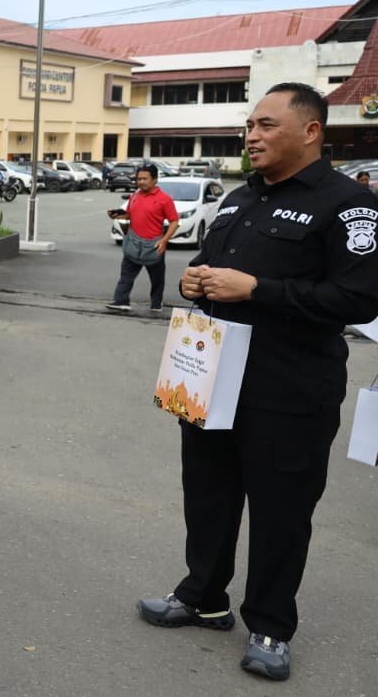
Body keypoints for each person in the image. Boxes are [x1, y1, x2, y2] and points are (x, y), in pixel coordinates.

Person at [137, 83, 378, 682]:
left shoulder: (347, 204)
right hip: (212, 379)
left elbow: (359, 298)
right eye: (250, 125)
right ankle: (203, 597)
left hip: (289, 390)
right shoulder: (240, 198)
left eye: (267, 124)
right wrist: (194, 280)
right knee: (208, 495)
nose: (252, 135)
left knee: (281, 512)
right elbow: (209, 268)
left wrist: (258, 291)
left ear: (311, 131)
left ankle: (271, 624)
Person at [105, 164, 179, 313]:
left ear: (155, 179)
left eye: (145, 179)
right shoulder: (135, 196)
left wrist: (164, 240)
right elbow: (130, 214)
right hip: (133, 243)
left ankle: (156, 304)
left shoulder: (165, 199)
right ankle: (121, 301)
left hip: (154, 245)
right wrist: (118, 214)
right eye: (139, 179)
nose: (141, 182)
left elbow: (174, 221)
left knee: (157, 279)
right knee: (126, 275)